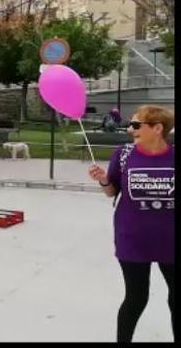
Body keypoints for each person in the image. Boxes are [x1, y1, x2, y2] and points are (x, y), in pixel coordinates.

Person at [87, 105, 175, 343]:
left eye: (136, 125)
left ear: (157, 128)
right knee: (136, 297)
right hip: (133, 239)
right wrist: (104, 180)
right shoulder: (124, 154)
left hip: (171, 240)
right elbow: (111, 192)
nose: (130, 129)